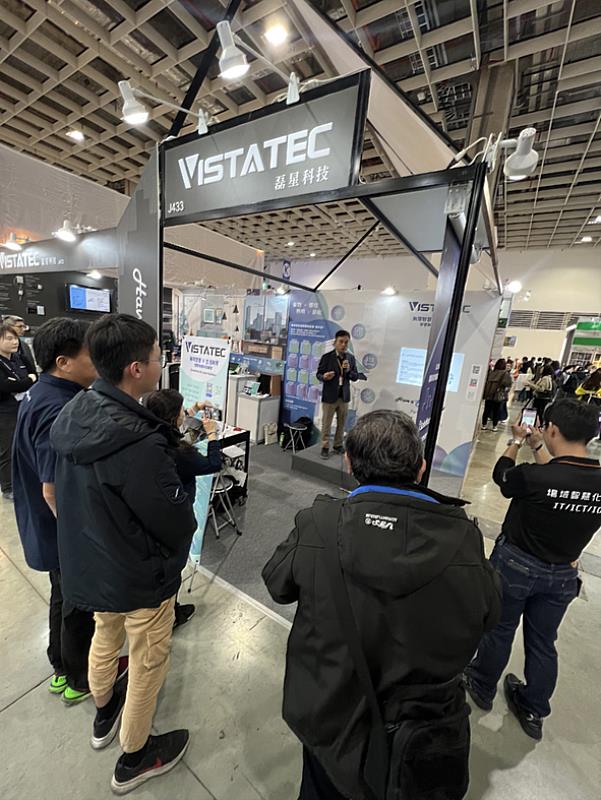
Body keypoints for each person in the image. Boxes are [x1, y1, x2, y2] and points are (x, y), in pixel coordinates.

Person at [263, 410, 501, 800]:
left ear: (349, 463)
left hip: (331, 720)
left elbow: (277, 585)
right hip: (419, 732)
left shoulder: (319, 524)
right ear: (421, 467)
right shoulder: (463, 537)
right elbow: (491, 613)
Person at [50, 314, 197, 794]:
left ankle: (104, 712)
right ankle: (135, 755)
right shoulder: (140, 441)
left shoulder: (74, 413)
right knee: (149, 660)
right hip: (138, 575)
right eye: (157, 356)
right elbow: (175, 520)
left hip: (92, 564)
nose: (160, 362)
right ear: (136, 368)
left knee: (104, 635)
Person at [464, 399, 601, 740]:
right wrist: (539, 447)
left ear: (552, 429)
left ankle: (481, 685)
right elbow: (562, 486)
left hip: (516, 566)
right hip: (563, 574)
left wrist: (516, 441)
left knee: (500, 628)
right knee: (543, 642)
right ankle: (533, 708)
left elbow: (502, 476)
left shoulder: (534, 477)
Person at [12, 318, 100, 703]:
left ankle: (61, 666)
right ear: (63, 362)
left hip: (44, 526)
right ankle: (80, 679)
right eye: (90, 354)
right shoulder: (60, 407)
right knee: (78, 602)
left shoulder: (41, 391)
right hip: (59, 529)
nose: (97, 360)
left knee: (63, 596)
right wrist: (81, 534)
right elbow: (51, 489)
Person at [143, 388, 223, 628]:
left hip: (151, 512)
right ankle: (170, 615)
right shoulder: (180, 453)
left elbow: (171, 422)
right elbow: (213, 464)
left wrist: (195, 408)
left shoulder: (146, 434)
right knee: (173, 568)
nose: (184, 413)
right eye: (181, 411)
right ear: (172, 417)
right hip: (177, 516)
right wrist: (213, 435)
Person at [0, 322, 36, 500]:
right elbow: (5, 386)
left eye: (15, 338)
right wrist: (26, 381)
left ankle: (25, 480)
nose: (15, 342)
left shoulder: (21, 358)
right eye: (9, 339)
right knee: (8, 448)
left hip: (25, 405)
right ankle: (8, 487)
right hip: (5, 410)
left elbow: (35, 376)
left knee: (27, 444)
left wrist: (22, 383)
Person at [316, 330, 359, 459]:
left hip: (343, 397)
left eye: (346, 342)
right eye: (341, 342)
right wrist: (324, 376)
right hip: (330, 396)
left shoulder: (350, 358)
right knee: (326, 423)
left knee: (341, 423)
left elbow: (355, 377)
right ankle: (325, 447)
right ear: (335, 342)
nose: (343, 345)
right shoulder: (327, 357)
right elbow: (319, 374)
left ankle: (338, 445)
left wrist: (348, 370)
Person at [481, 358, 512, 431]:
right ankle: (494, 426)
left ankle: (484, 425)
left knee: (486, 410)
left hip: (489, 395)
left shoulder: (492, 372)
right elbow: (507, 384)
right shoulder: (505, 374)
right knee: (496, 411)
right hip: (498, 395)